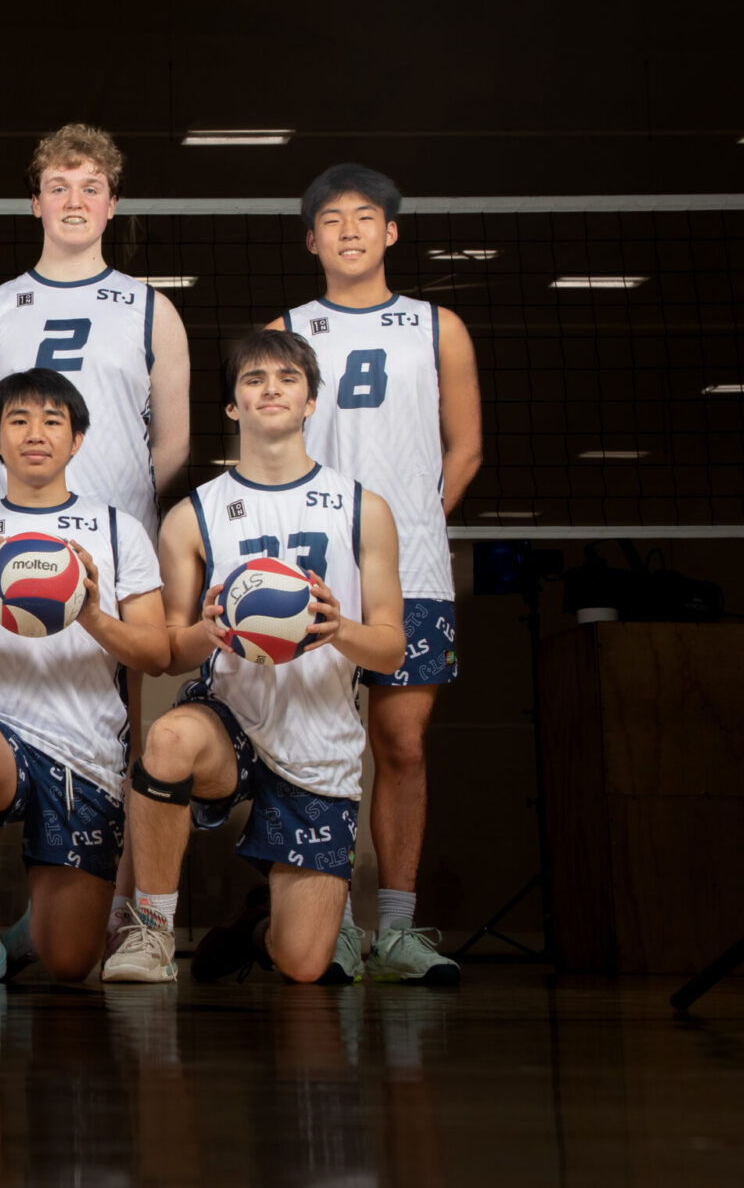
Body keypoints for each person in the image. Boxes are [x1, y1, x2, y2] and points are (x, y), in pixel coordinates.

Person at [0, 123, 191, 971]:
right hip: (13, 551)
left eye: (91, 187)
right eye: (60, 185)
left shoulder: (152, 307)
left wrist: (104, 521)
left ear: (112, 203)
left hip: (116, 546)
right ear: (36, 200)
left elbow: (173, 443)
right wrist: (29, 522)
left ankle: (123, 908)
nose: (75, 201)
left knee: (116, 729)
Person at [106, 330, 404, 986]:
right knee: (170, 736)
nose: (271, 387)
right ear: (233, 407)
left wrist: (338, 629)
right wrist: (207, 633)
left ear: (310, 402)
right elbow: (168, 655)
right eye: (254, 379)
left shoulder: (364, 509)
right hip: (231, 717)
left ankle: (256, 927)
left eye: (288, 378)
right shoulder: (193, 515)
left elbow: (391, 644)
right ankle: (151, 933)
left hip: (320, 737)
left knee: (304, 963)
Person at [271, 164, 482, 984]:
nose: (350, 230)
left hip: (413, 568)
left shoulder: (439, 327)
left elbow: (464, 447)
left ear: (391, 232)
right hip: (316, 571)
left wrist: (406, 530)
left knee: (400, 742)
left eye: (366, 217)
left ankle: (396, 927)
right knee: (312, 744)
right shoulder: (286, 329)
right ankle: (332, 924)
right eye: (333, 220)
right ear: (312, 239)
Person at [0, 369, 168, 982]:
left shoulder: (121, 532)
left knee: (69, 962)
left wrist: (94, 616)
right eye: (17, 421)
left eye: (52, 421)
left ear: (77, 441)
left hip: (86, 751)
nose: (35, 433)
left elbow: (154, 653)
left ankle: (38, 926)